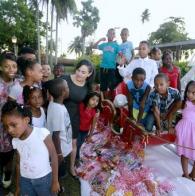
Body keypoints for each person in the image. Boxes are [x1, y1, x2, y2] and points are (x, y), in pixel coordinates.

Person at [1, 101, 60, 195]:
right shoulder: (15, 141)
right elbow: (18, 163)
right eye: (6, 127)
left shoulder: (42, 134)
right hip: (25, 181)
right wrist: (18, 186)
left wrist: (55, 181)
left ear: (26, 120)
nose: (9, 130)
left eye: (13, 125)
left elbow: (53, 155)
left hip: (44, 179)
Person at [61, 59, 95, 177]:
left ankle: (71, 167)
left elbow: (90, 102)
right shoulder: (65, 78)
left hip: (75, 117)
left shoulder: (87, 86)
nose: (79, 74)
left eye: (83, 72)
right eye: (79, 70)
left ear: (89, 74)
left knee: (73, 143)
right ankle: (58, 163)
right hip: (61, 114)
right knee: (58, 140)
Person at [46, 78, 72, 188]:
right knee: (58, 171)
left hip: (63, 147)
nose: (69, 89)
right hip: (61, 150)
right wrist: (59, 154)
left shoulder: (54, 102)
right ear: (63, 92)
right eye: (67, 87)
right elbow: (55, 135)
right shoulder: (58, 110)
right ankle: (57, 186)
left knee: (59, 170)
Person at [0, 52, 18, 189]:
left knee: (10, 152)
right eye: (6, 66)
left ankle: (7, 173)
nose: (11, 69)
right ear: (1, 67)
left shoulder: (18, 84)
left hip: (12, 125)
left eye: (14, 66)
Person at [176, 80, 195, 180]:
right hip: (185, 131)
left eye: (193, 93)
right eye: (188, 91)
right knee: (185, 153)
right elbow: (172, 113)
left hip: (194, 132)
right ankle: (186, 174)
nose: (190, 95)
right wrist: (170, 126)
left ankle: (193, 174)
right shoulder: (184, 103)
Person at [93, 28, 119, 98]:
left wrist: (121, 60)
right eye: (110, 33)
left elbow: (121, 54)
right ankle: (104, 101)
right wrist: (100, 39)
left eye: (113, 33)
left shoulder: (116, 45)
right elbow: (94, 46)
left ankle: (111, 101)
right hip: (103, 68)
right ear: (107, 34)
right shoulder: (104, 44)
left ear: (114, 36)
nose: (111, 34)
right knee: (103, 86)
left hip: (111, 68)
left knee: (111, 86)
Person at [77, 91, 101, 156]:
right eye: (93, 99)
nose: (95, 102)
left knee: (80, 144)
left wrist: (90, 136)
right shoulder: (81, 105)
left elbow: (93, 125)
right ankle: (76, 157)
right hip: (77, 129)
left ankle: (76, 155)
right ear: (88, 99)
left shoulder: (95, 112)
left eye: (97, 101)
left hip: (85, 131)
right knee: (77, 144)